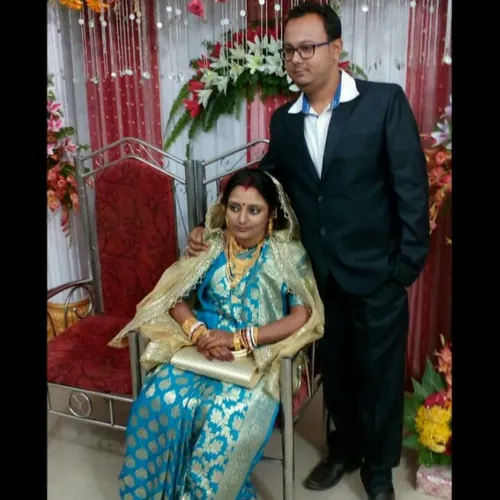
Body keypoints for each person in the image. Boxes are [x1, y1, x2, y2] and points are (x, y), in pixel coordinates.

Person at [187, 3, 430, 500]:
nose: (296, 59)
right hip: (318, 277)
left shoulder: (382, 103)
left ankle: (379, 470)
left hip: (378, 272)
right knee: (335, 370)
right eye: (289, 51)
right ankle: (342, 449)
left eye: (307, 48)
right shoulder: (285, 121)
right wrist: (212, 224)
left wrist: (404, 267)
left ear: (336, 48)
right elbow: (266, 181)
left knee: (380, 376)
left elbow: (411, 189)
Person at [108, 168, 324, 500]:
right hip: (201, 348)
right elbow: (174, 296)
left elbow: (301, 315)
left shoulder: (287, 254)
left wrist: (240, 339)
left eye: (254, 210)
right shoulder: (209, 245)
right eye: (234, 207)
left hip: (259, 356)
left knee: (224, 416)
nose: (242, 219)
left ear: (272, 214)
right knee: (158, 399)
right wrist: (198, 332)